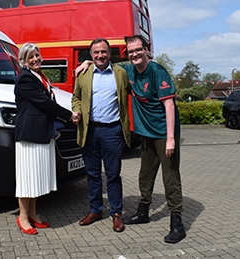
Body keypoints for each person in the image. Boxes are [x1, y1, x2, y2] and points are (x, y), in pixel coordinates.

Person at [122, 35, 185, 243]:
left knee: (170, 178)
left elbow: (169, 105)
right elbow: (109, 65)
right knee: (145, 175)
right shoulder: (129, 70)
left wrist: (170, 139)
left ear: (146, 49)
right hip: (146, 135)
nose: (135, 54)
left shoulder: (157, 72)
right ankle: (143, 212)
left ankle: (177, 223)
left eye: (138, 50)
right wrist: (87, 61)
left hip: (164, 134)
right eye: (131, 51)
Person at [15, 43, 79, 235]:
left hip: (41, 133)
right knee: (27, 179)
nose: (35, 59)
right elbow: (45, 104)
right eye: (30, 57)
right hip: (29, 135)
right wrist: (69, 116)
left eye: (37, 55)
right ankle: (23, 218)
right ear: (24, 62)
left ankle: (33, 214)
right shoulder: (25, 79)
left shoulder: (40, 77)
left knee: (35, 178)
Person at [71, 38, 131, 233]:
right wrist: (77, 111)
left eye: (103, 52)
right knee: (93, 174)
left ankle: (116, 213)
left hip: (112, 131)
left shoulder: (121, 73)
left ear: (109, 53)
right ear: (91, 55)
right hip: (90, 131)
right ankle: (95, 210)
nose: (100, 55)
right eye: (96, 53)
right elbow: (76, 97)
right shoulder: (84, 73)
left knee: (113, 175)